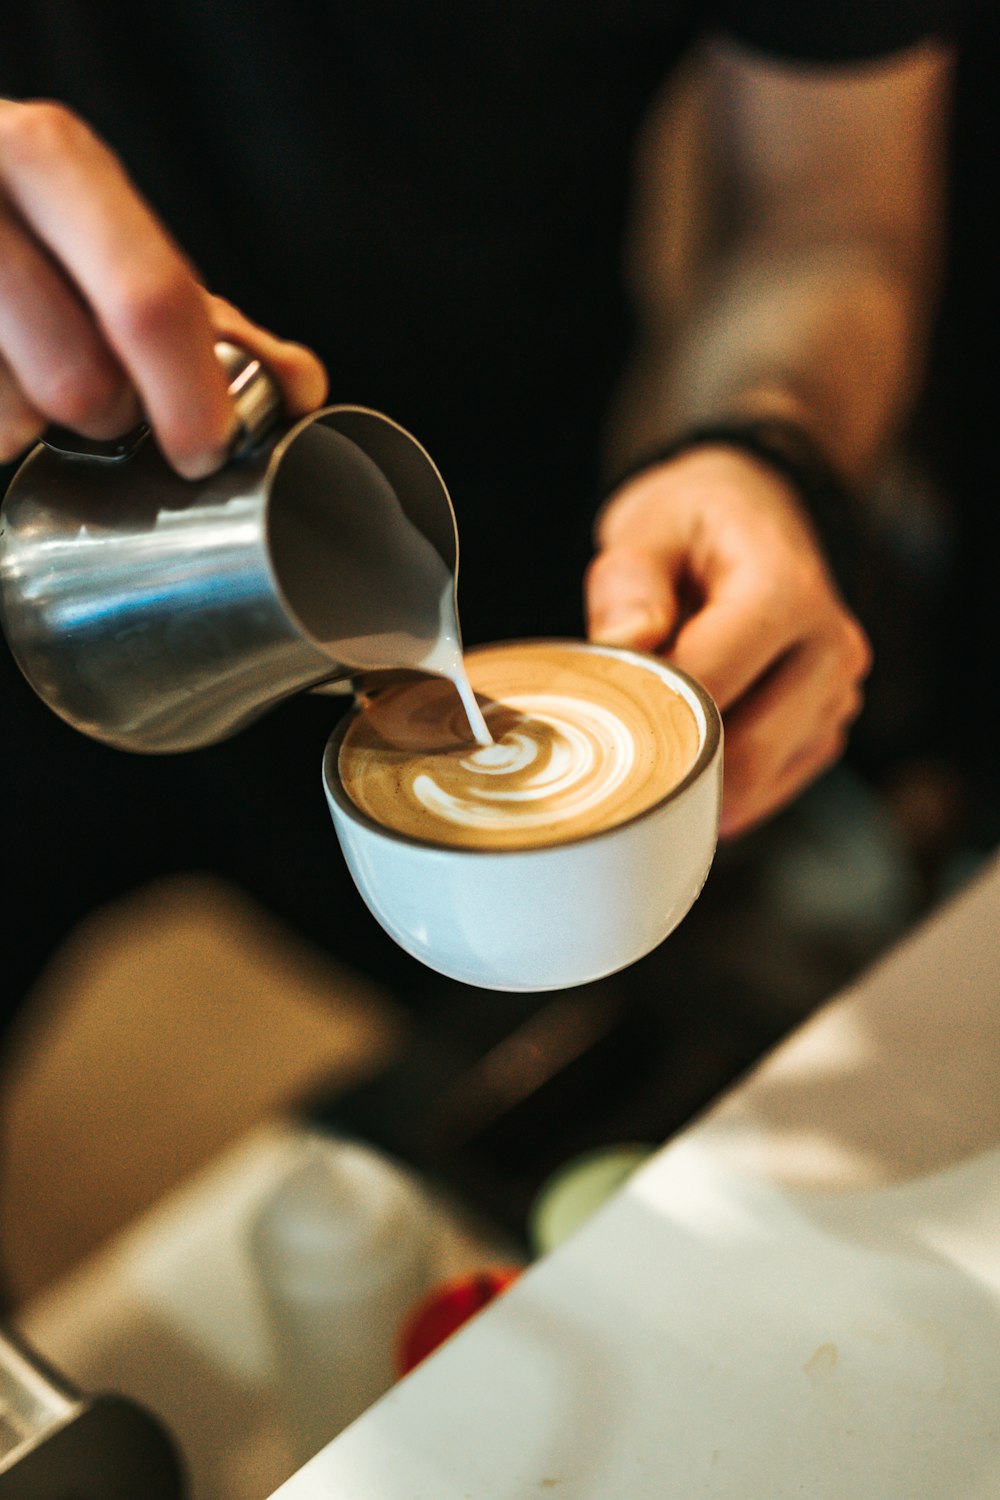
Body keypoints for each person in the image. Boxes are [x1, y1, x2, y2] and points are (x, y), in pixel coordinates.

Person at [0, 4, 953, 1034]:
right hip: (40, 508)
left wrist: (759, 449)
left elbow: (821, 220)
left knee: (553, 1041)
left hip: (502, 554)